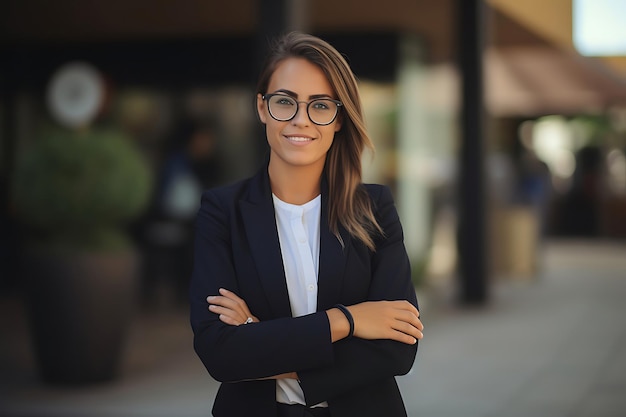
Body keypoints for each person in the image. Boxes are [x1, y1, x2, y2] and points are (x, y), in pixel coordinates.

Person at [189, 32, 423, 417]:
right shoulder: (222, 212)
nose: (301, 120)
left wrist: (257, 336)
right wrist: (348, 320)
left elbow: (397, 350)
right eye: (285, 102)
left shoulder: (374, 209)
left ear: (339, 118)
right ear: (262, 108)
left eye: (320, 105)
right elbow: (221, 354)